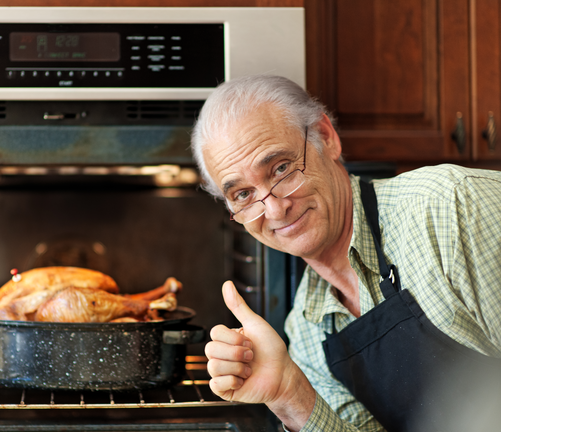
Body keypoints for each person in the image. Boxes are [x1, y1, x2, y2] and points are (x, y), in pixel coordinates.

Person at [190, 75, 500, 432]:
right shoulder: (308, 329)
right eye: (243, 195)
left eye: (281, 168)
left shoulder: (450, 210)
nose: (274, 211)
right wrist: (288, 393)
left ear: (325, 137)